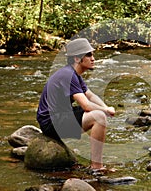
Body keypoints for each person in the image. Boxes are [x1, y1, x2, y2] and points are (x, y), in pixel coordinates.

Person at [36, 38, 115, 171]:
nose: (93, 58)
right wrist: (106, 111)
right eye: (89, 55)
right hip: (52, 123)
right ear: (77, 59)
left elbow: (90, 95)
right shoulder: (69, 76)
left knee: (100, 113)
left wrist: (106, 107)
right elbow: (86, 106)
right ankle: (97, 167)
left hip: (58, 117)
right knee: (99, 117)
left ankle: (96, 165)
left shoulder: (73, 74)